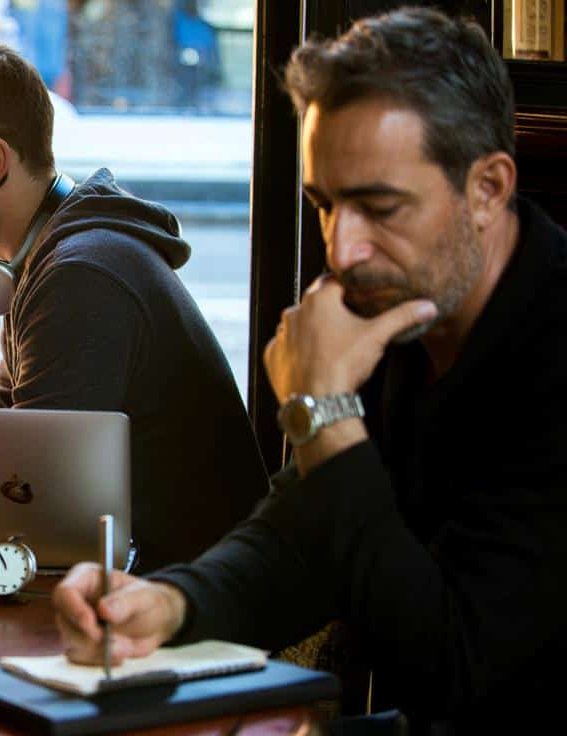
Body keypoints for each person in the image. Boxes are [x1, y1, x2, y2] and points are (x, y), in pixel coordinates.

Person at [53, 8, 567, 730]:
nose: (343, 249)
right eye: (324, 206)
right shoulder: (404, 303)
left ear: (487, 188)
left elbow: (454, 668)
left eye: (379, 207)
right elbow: (308, 535)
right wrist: (174, 604)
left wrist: (322, 412)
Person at [0, 37, 268, 572]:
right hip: (127, 583)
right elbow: (8, 431)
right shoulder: (47, 255)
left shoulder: (81, 276)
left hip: (172, 610)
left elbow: (21, 491)